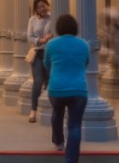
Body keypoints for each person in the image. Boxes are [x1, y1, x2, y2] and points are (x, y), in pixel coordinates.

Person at [43, 13, 89, 163]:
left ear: (59, 28)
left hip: (56, 88)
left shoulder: (51, 44)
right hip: (78, 89)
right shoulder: (84, 44)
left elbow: (47, 64)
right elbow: (86, 63)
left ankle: (58, 141)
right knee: (75, 126)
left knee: (57, 112)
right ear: (75, 27)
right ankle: (71, 160)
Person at [26, 0, 52, 123]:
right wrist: (41, 40)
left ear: (48, 5)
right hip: (37, 52)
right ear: (36, 9)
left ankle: (47, 108)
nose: (42, 9)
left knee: (49, 81)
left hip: (49, 53)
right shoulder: (32, 20)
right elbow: (29, 36)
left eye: (44, 6)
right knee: (38, 81)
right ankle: (33, 110)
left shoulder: (53, 18)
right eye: (39, 7)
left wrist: (49, 38)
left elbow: (55, 33)